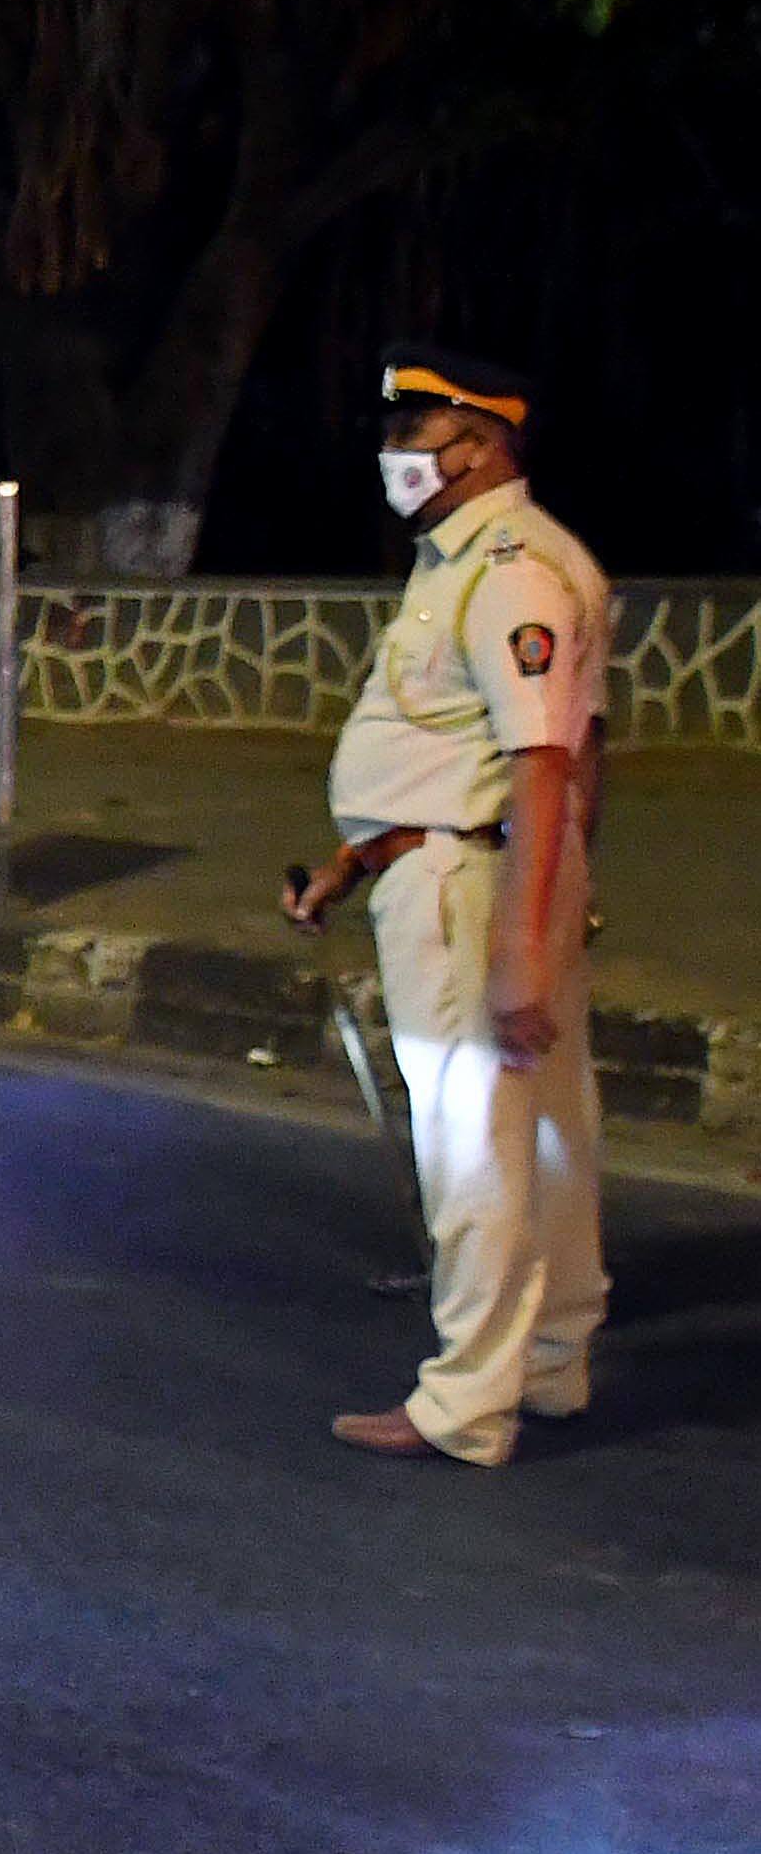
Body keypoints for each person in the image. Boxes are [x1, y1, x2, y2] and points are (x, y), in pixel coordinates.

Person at [282, 346, 607, 1465]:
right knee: (549, 1134)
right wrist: (350, 859)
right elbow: (465, 749)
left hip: (471, 889)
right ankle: (549, 1359)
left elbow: (542, 764)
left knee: (470, 1141)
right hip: (475, 869)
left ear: (480, 446)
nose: (392, 457)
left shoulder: (507, 572)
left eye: (411, 437)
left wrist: (521, 946)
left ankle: (464, 1400)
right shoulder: (476, 559)